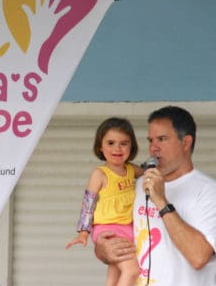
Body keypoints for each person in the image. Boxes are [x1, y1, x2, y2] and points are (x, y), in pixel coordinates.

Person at [95, 106, 216, 286]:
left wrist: (161, 201)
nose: (153, 148)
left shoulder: (208, 191)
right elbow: (114, 229)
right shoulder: (137, 184)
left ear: (186, 142)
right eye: (151, 140)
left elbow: (199, 257)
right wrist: (103, 250)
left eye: (162, 139)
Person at [66, 117, 143, 286]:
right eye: (110, 143)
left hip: (127, 228)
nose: (117, 148)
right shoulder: (100, 174)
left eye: (124, 143)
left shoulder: (131, 170)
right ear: (100, 146)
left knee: (114, 274)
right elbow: (89, 203)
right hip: (108, 229)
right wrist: (83, 232)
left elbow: (148, 172)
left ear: (132, 146)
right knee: (132, 271)